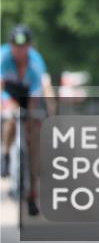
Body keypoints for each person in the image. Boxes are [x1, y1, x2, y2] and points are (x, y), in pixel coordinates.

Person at [1, 24, 56, 216]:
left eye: (24, 47)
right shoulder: (3, 58)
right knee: (9, 121)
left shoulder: (36, 63)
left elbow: (40, 93)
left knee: (34, 143)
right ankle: (5, 154)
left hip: (29, 97)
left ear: (30, 47)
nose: (19, 51)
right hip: (8, 94)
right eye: (16, 46)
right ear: (10, 46)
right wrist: (7, 106)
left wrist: (50, 115)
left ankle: (33, 194)